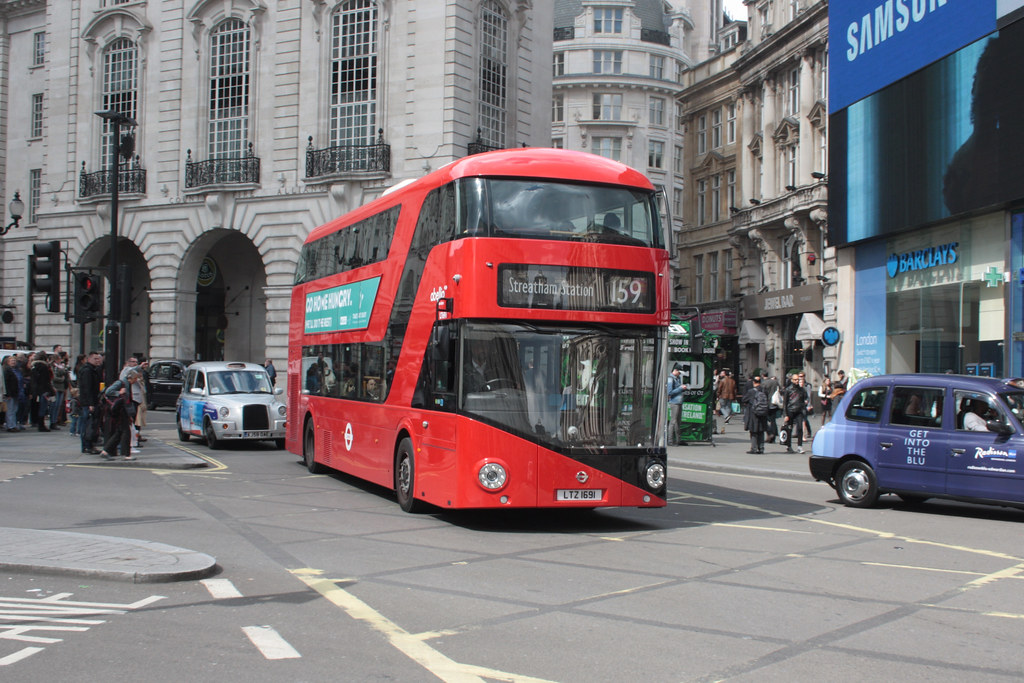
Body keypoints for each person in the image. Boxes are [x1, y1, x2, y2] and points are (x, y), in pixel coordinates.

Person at [78, 351, 104, 454]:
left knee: (91, 424)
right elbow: (87, 388)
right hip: (88, 402)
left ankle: (89, 445)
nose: (98, 361)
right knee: (89, 425)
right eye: (95, 359)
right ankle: (87, 446)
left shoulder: (93, 370)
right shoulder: (87, 371)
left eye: (99, 359)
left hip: (92, 401)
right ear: (89, 359)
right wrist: (90, 404)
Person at [783, 373, 810, 454]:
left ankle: (799, 446)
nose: (797, 381)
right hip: (790, 410)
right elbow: (785, 403)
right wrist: (785, 415)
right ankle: (789, 446)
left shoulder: (802, 389)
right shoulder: (788, 390)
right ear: (792, 380)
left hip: (799, 411)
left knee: (800, 429)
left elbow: (805, 398)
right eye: (795, 380)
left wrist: (805, 404)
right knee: (789, 428)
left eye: (798, 379)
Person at [742, 375, 769, 454]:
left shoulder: (751, 391)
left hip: (753, 413)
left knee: (753, 431)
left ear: (753, 382)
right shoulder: (764, 390)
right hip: (763, 413)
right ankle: (761, 448)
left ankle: (754, 448)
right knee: (761, 431)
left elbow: (744, 399)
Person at [29, 351, 54, 432]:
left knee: (38, 407)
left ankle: (37, 422)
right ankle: (41, 425)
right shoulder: (44, 367)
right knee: (43, 407)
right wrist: (50, 390)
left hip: (36, 390)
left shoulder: (34, 366)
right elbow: (45, 380)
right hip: (43, 390)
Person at [666, 364, 688, 446]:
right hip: (674, 402)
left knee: (678, 422)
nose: (680, 374)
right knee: (673, 421)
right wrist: (681, 388)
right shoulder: (670, 379)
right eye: (679, 372)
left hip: (678, 402)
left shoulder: (677, 378)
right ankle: (670, 440)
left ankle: (678, 439)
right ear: (675, 370)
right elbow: (669, 392)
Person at [761, 374, 780, 443]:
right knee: (773, 421)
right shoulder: (775, 382)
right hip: (775, 403)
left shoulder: (763, 383)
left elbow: (762, 394)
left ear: (762, 375)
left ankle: (770, 433)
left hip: (767, 404)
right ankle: (774, 435)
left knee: (764, 420)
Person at [3, 355, 20, 432]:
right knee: (10, 410)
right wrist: (7, 394)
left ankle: (13, 424)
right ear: (8, 362)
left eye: (14, 361)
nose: (13, 362)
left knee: (14, 409)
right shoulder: (7, 370)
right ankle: (10, 426)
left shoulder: (16, 370)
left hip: (15, 392)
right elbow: (6, 383)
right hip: (10, 393)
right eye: (11, 361)